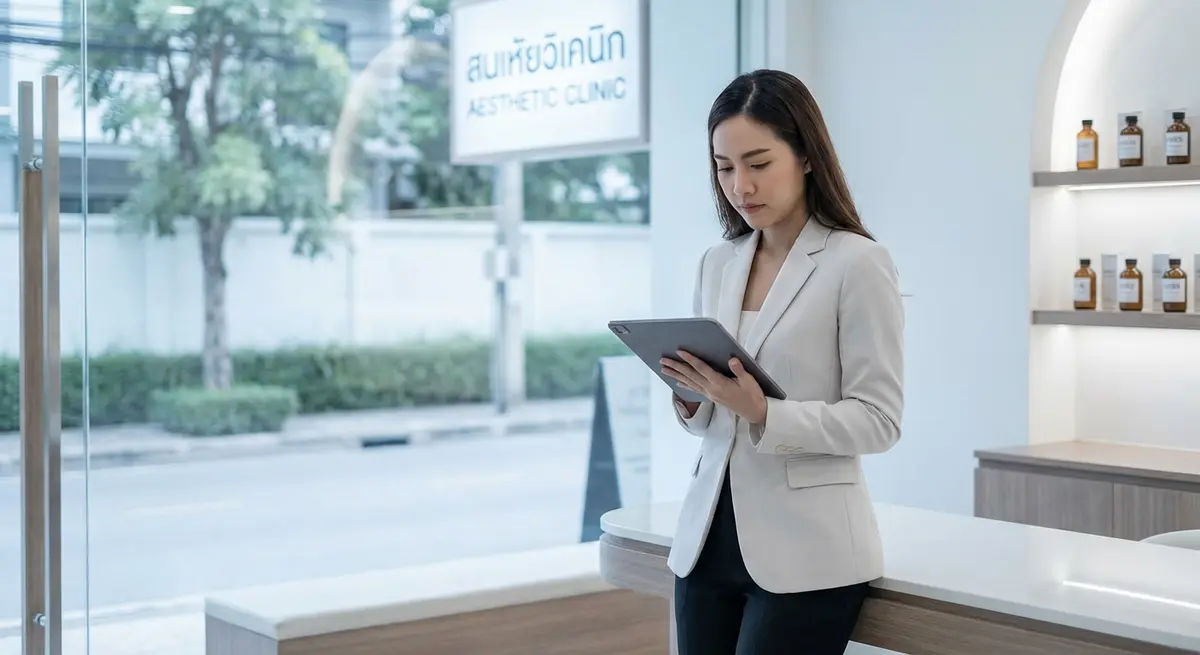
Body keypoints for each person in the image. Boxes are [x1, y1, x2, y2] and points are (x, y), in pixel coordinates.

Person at [659, 69, 904, 655]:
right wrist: (692, 397)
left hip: (808, 554)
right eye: (724, 167)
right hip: (706, 543)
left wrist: (766, 413)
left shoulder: (857, 264)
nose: (741, 185)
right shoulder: (717, 262)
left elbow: (879, 420)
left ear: (807, 156)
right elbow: (714, 421)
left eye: (758, 162)